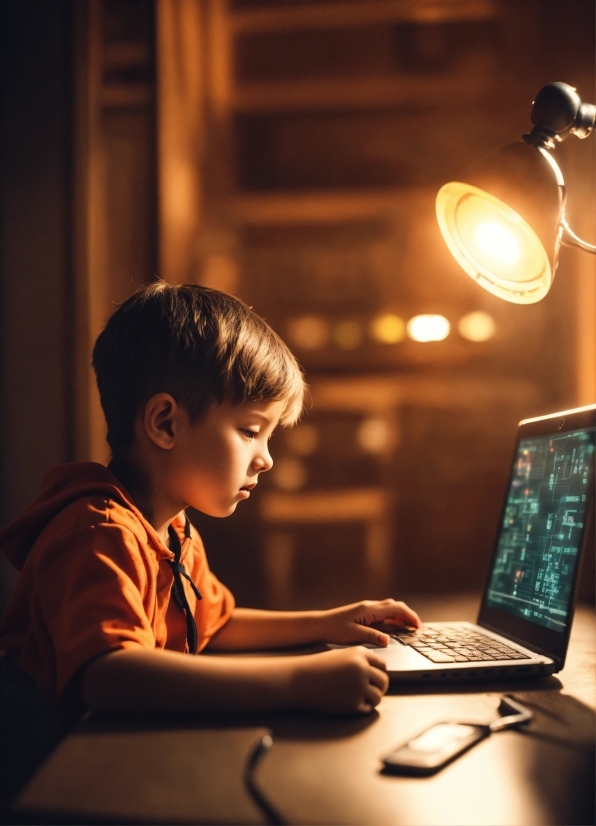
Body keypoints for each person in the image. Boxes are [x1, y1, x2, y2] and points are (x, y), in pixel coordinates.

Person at [0, 283, 420, 720]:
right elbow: (109, 674)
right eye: (250, 431)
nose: (267, 459)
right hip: (57, 771)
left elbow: (217, 624)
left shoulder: (173, 529)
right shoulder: (98, 533)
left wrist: (329, 622)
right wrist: (299, 682)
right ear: (165, 424)